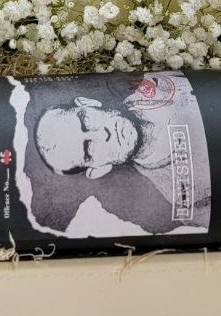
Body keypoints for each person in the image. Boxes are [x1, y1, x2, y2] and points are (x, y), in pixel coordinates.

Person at [30, 93, 208, 235]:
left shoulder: (151, 80)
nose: (103, 134)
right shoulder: (189, 202)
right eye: (89, 149)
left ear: (88, 103)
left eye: (85, 121)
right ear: (98, 170)